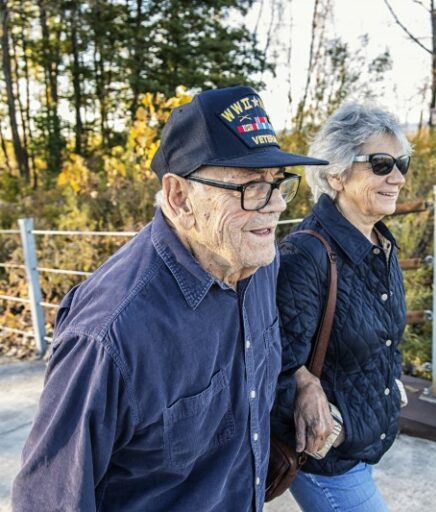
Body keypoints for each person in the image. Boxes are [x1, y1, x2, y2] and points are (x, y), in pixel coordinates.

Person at [12, 86, 327, 512]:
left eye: (277, 184)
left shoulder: (258, 262)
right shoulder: (110, 334)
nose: (273, 206)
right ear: (180, 197)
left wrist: (303, 383)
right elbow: (49, 501)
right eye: (251, 187)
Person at [271, 103, 411, 511]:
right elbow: (270, 355)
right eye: (381, 164)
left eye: (401, 163)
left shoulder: (380, 244)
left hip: (363, 444)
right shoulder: (306, 254)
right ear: (336, 173)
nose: (398, 177)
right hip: (328, 462)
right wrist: (303, 384)